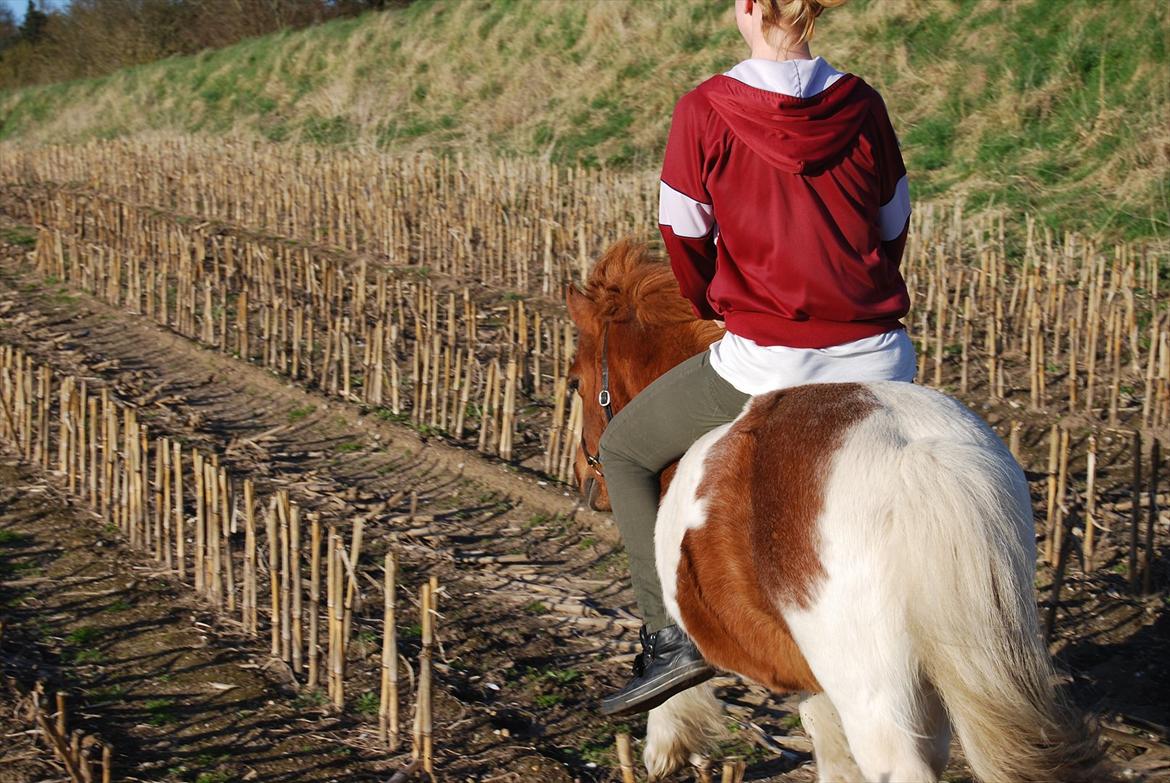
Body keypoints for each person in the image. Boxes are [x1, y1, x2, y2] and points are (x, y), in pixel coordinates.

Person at [598, 0, 917, 717]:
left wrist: (717, 303)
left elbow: (684, 236)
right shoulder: (863, 103)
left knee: (621, 449)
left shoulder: (704, 109)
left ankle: (667, 636)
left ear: (747, 6)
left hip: (770, 362)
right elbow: (892, 223)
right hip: (883, 359)